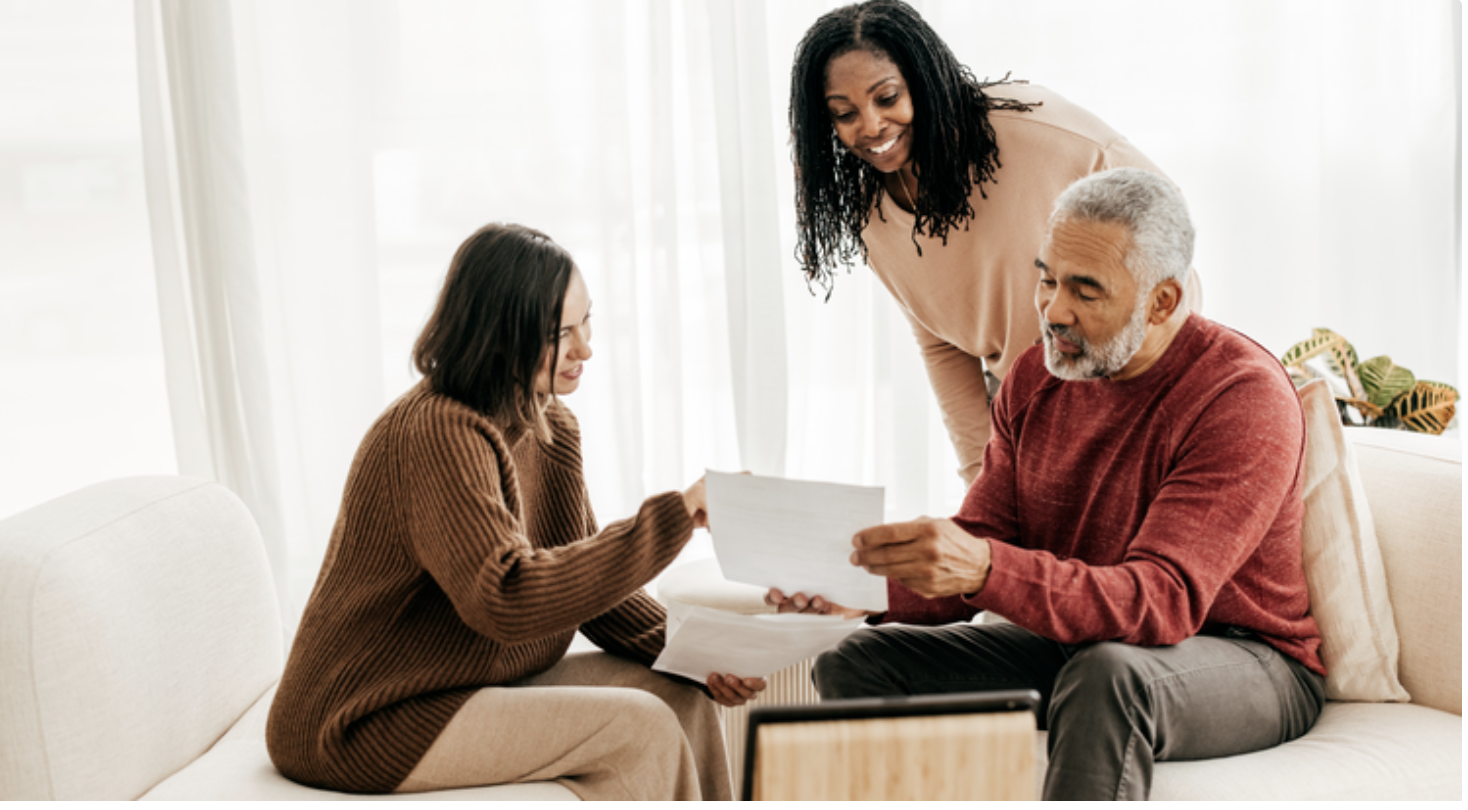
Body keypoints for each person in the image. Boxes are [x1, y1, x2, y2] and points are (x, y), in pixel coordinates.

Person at [770, 169, 1325, 800]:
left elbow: (1162, 601)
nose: (1053, 310)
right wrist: (864, 587)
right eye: (1047, 278)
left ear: (1162, 302)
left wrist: (983, 570)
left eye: (1085, 291)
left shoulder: (1239, 396)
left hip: (1247, 659)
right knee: (861, 662)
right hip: (1083, 639)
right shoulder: (1039, 375)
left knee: (1110, 674)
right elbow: (984, 537)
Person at [266, 223, 764, 800]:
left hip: (461, 685)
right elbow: (507, 598)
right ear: (498, 337)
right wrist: (676, 515)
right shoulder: (435, 433)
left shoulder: (549, 423)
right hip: (365, 717)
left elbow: (585, 588)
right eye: (560, 334)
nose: (586, 349)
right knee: (638, 727)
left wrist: (693, 656)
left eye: (587, 322)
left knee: (676, 693)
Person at [789, 0, 1202, 487]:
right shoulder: (869, 213)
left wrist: (1129, 369)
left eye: (887, 98)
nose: (871, 126)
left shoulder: (1031, 129)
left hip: (1136, 383)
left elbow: (1166, 210)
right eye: (844, 113)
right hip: (1024, 406)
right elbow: (942, 344)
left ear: (922, 80)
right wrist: (979, 476)